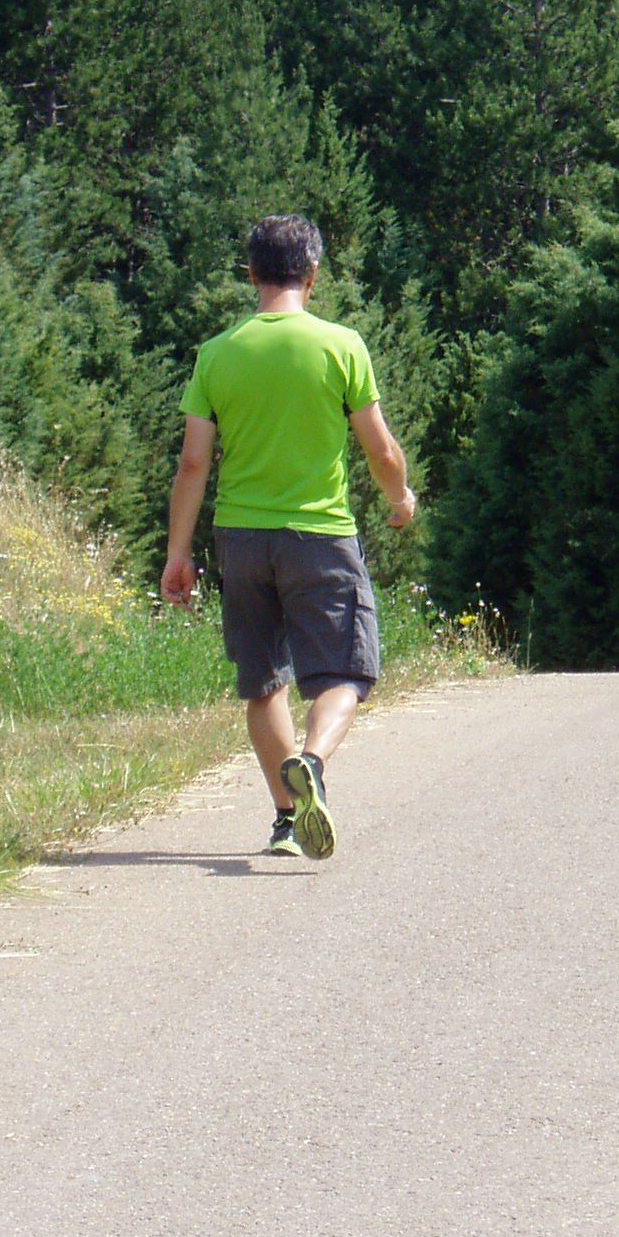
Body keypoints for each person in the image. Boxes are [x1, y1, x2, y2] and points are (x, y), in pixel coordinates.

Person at [159, 214, 417, 859]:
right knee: (343, 672)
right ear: (314, 272)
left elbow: (193, 463)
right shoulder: (340, 345)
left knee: (263, 681)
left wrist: (178, 553)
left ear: (250, 273)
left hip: (240, 537)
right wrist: (400, 498)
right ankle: (314, 764)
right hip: (319, 534)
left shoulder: (217, 352)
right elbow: (381, 449)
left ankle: (284, 819)